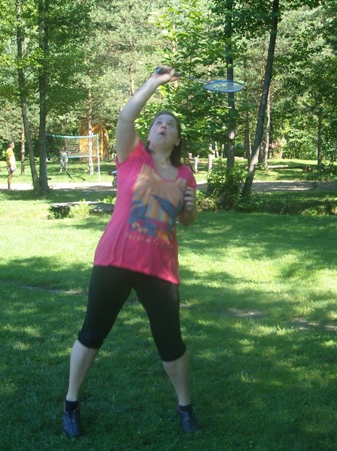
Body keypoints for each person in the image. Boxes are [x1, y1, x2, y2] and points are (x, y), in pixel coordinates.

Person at [62, 66, 200, 438]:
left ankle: (185, 407)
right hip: (114, 260)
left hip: (160, 268)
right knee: (92, 333)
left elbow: (186, 220)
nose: (163, 126)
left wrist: (190, 209)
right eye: (158, 123)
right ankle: (71, 403)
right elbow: (126, 117)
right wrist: (154, 83)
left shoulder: (185, 175)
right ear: (150, 135)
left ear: (177, 139)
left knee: (171, 343)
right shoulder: (132, 156)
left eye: (171, 125)